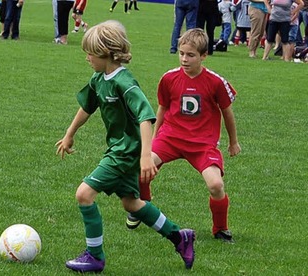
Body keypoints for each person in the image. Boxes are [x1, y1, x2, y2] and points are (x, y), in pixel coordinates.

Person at [56, 20, 196, 273]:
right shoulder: (99, 78)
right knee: (131, 203)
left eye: (90, 53)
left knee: (84, 194)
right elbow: (87, 107)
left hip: (126, 151)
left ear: (106, 53)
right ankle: (180, 237)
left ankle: (94, 256)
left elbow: (146, 116)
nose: (87, 57)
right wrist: (69, 134)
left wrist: (145, 155)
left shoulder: (124, 81)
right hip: (118, 149)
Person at [125, 28, 240, 244]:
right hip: (171, 137)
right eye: (181, 53)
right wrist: (153, 142)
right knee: (142, 169)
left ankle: (221, 228)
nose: (184, 59)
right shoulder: (169, 78)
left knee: (216, 185)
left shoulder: (215, 82)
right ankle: (143, 208)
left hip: (202, 143)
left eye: (190, 55)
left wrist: (233, 142)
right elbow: (161, 109)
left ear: (204, 56)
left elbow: (227, 112)